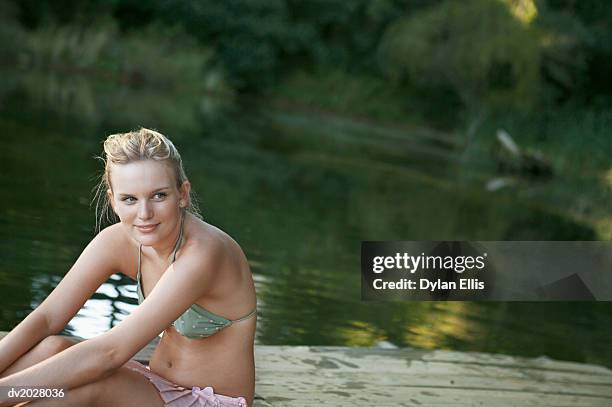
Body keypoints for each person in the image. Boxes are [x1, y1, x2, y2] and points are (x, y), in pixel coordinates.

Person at [0, 128, 257, 406]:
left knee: (94, 386)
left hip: (214, 402)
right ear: (113, 201)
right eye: (130, 199)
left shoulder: (204, 253)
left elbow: (111, 352)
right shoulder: (119, 241)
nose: (144, 213)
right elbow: (48, 318)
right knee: (53, 348)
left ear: (182, 194)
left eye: (158, 196)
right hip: (154, 385)